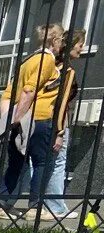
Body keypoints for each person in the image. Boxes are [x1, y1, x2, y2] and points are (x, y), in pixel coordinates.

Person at [0, 24, 66, 219]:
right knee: (42, 162)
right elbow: (29, 90)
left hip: (21, 121)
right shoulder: (47, 60)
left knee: (17, 164)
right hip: (39, 120)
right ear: (54, 41)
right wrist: (18, 118)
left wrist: (11, 121)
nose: (62, 45)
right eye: (61, 41)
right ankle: (35, 208)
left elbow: (8, 94)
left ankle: (1, 205)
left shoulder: (26, 61)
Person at [40, 29, 85, 223]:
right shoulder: (67, 70)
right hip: (56, 121)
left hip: (43, 120)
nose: (82, 50)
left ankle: (41, 203)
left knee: (43, 162)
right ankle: (55, 206)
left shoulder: (52, 64)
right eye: (80, 45)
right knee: (57, 163)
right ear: (72, 44)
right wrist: (59, 131)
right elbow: (61, 101)